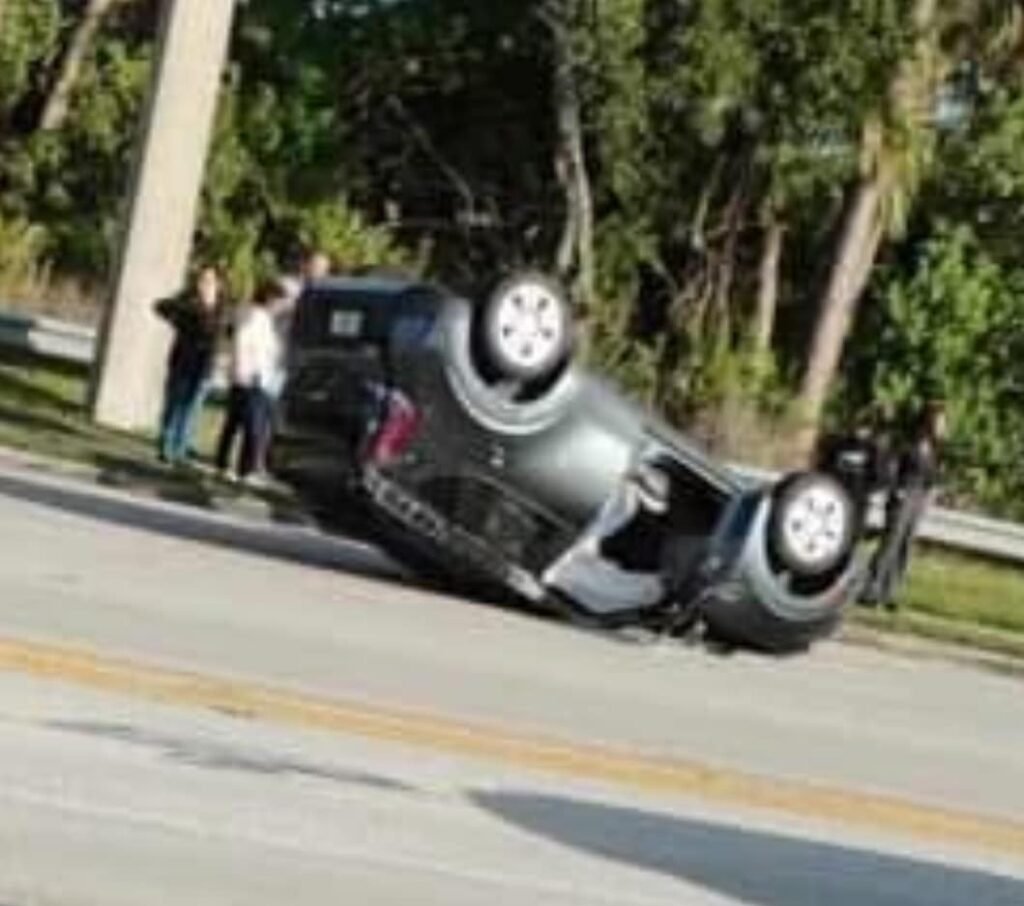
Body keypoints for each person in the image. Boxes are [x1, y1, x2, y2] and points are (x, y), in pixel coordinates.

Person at [861, 402, 947, 608]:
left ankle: (891, 592)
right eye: (940, 421)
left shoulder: (937, 450)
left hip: (920, 499)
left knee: (906, 545)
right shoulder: (907, 443)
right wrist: (896, 489)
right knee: (891, 542)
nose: (943, 426)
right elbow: (892, 467)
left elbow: (934, 477)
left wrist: (933, 492)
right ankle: (871, 588)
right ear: (928, 421)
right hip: (903, 494)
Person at [215, 279, 286, 484]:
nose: (281, 306)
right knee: (251, 427)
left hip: (256, 378)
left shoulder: (262, 318)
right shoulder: (253, 316)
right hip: (250, 378)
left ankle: (230, 466)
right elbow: (241, 342)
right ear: (270, 298)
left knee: (237, 423)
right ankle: (241, 469)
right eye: (280, 301)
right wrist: (244, 370)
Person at [155, 265, 225, 465]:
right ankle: (166, 446)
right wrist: (181, 316)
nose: (205, 284)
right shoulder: (188, 300)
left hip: (204, 366)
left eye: (210, 280)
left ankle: (180, 449)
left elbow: (219, 331)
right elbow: (160, 306)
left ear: (218, 284)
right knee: (174, 405)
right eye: (202, 280)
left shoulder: (222, 306)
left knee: (191, 409)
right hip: (182, 362)